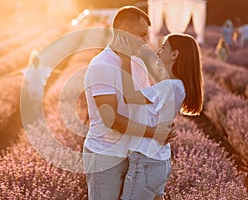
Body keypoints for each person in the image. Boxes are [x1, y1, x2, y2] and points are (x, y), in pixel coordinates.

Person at [83, 6, 176, 200]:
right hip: (106, 157)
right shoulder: (102, 65)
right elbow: (111, 120)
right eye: (141, 34)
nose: (145, 41)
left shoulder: (138, 63)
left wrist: (164, 122)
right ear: (124, 31)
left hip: (134, 155)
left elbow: (143, 105)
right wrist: (154, 132)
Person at [118, 33, 204, 199]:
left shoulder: (169, 86)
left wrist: (125, 58)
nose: (158, 52)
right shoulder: (177, 86)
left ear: (175, 54)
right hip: (160, 161)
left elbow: (128, 96)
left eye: (163, 47)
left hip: (145, 162)